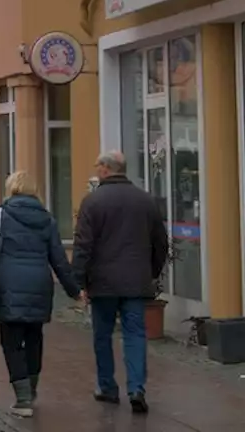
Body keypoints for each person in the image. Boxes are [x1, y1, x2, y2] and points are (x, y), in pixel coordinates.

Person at [71, 151, 168, 415]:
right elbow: (161, 242)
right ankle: (136, 388)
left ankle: (107, 387)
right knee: (135, 334)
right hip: (136, 281)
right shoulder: (145, 200)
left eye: (97, 166)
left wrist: (77, 280)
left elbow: (83, 245)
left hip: (102, 283)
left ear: (105, 169)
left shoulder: (92, 202)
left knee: (102, 335)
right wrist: (152, 271)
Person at [0, 170, 81, 418]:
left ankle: (23, 398)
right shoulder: (47, 219)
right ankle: (31, 388)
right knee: (34, 338)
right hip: (39, 285)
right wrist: (75, 291)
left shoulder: (0, 214)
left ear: (11, 188)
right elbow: (58, 259)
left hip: (8, 285)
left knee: (12, 342)